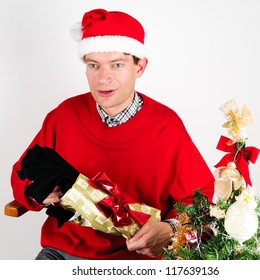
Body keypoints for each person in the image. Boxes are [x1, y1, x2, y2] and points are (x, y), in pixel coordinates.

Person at [10, 8, 214, 260]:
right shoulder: (63, 115)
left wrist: (170, 228)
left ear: (140, 67)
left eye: (117, 65)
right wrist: (37, 192)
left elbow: (201, 197)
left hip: (136, 258)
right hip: (62, 252)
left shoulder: (166, 126)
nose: (103, 78)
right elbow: (22, 173)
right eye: (93, 65)